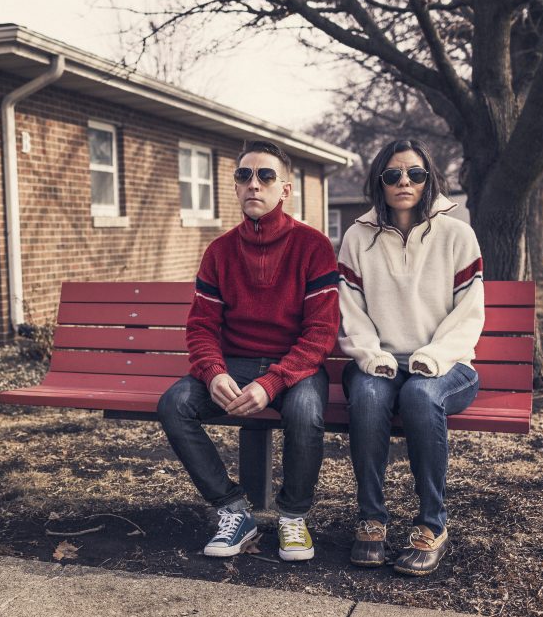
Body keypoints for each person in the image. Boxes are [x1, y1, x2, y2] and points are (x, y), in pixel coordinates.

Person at [157, 140, 340, 562]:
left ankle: (293, 515)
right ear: (236, 187)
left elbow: (320, 334)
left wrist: (273, 381)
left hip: (297, 366)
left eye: (265, 176)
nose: (253, 184)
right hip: (234, 364)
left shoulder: (313, 247)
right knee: (175, 404)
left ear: (285, 190)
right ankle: (233, 511)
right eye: (244, 176)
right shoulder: (220, 251)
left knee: (305, 411)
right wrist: (213, 371)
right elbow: (202, 327)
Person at [338, 139, 484, 576]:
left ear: (428, 179)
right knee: (367, 397)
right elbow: (351, 312)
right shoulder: (357, 238)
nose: (404, 181)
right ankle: (371, 518)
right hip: (378, 363)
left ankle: (432, 525)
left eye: (415, 174)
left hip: (448, 366)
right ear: (379, 182)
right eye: (393, 174)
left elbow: (468, 314)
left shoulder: (457, 234)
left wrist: (434, 358)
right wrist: (372, 357)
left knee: (421, 397)